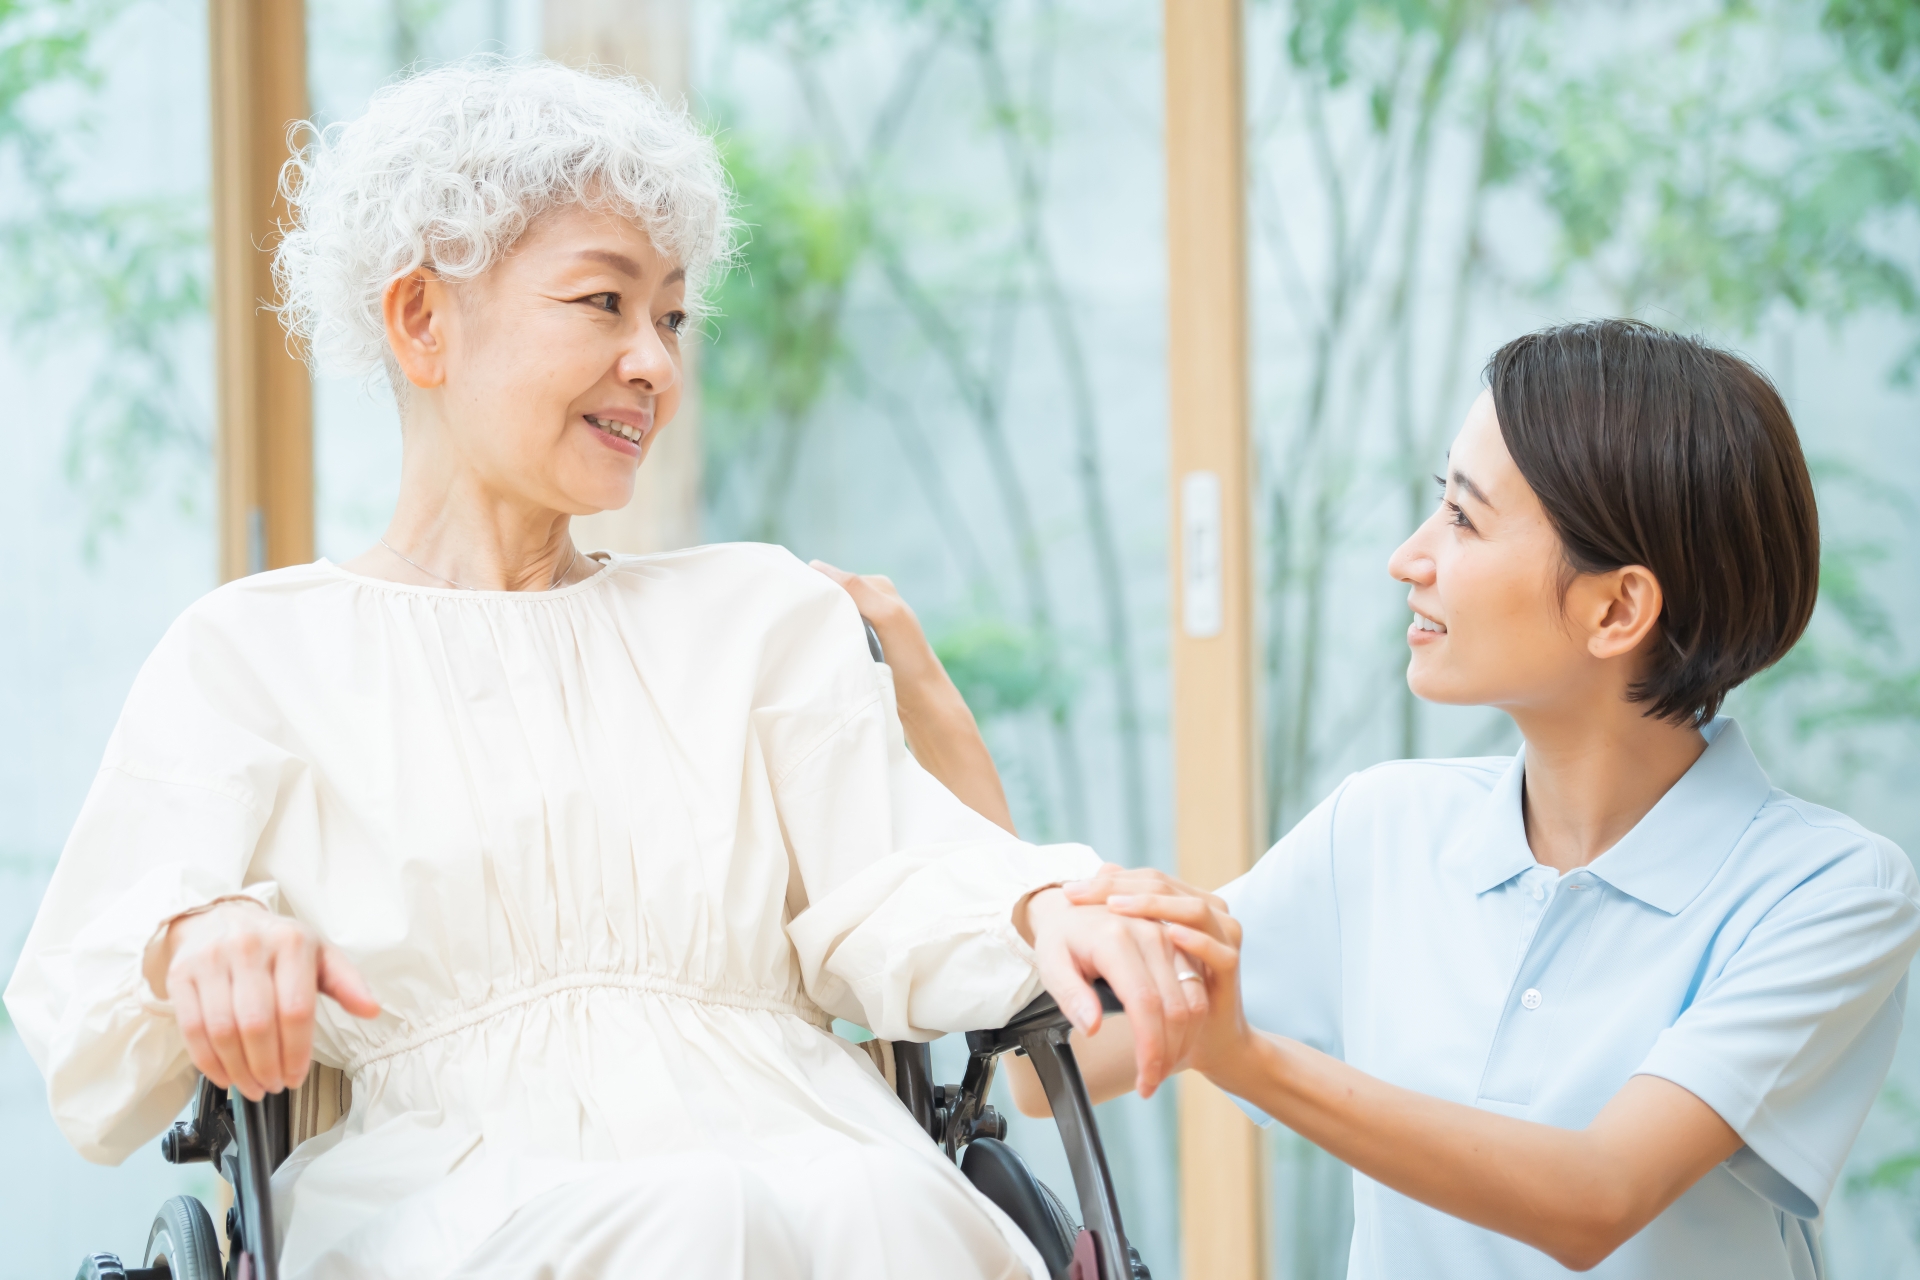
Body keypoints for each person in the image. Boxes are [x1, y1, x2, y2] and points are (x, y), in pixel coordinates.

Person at [2, 59, 1200, 1280]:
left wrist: (1039, 905)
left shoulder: (757, 612)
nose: (656, 365)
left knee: (876, 1209)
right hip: (446, 1197)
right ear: (422, 320)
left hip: (815, 1151)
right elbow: (88, 1025)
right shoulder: (254, 652)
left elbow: (894, 875)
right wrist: (196, 936)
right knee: (685, 1217)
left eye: (672, 316)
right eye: (604, 304)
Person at [1018, 320, 1920, 1278]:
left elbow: (1598, 1198)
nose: (1410, 558)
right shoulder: (1381, 831)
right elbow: (1061, 1068)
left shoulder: (1828, 891)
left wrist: (1239, 1053)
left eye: (1463, 516)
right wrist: (1014, 864)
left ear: (1616, 609)